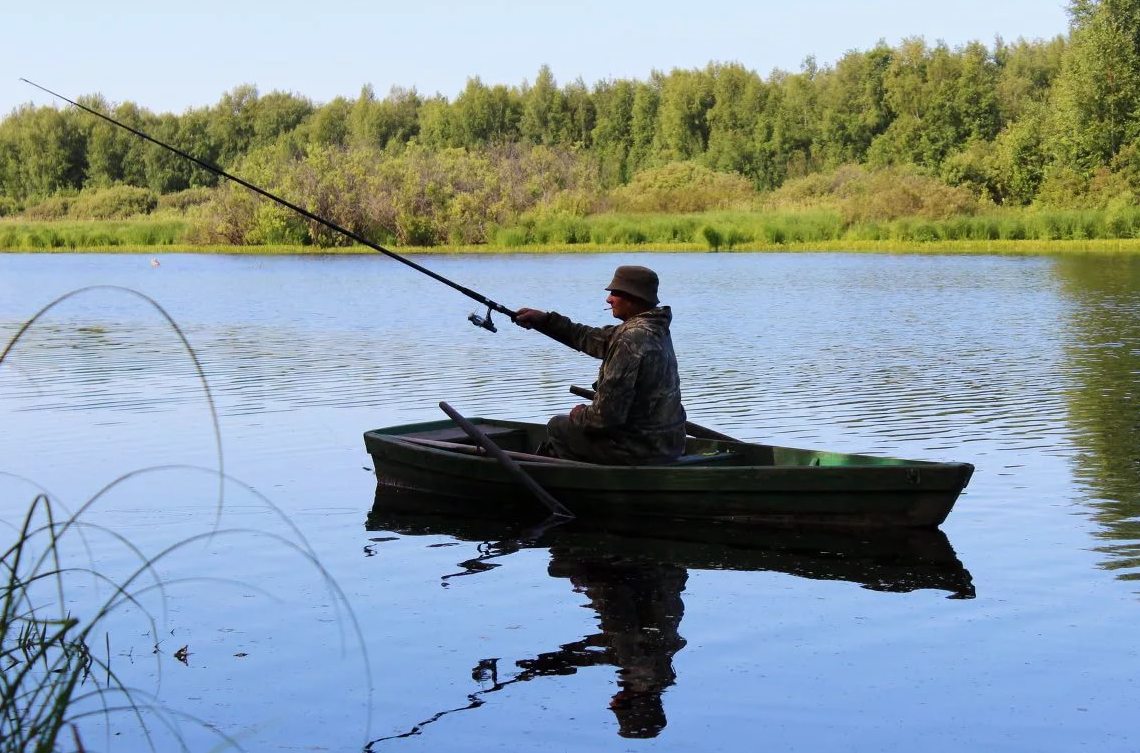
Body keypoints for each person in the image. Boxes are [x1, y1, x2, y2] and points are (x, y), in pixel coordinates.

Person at [515, 265, 686, 464]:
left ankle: (577, 484)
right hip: (670, 445)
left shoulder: (629, 341)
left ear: (633, 296)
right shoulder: (655, 328)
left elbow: (603, 418)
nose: (609, 299)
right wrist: (544, 320)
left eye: (615, 293)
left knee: (557, 426)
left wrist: (579, 414)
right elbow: (589, 337)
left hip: (639, 450)